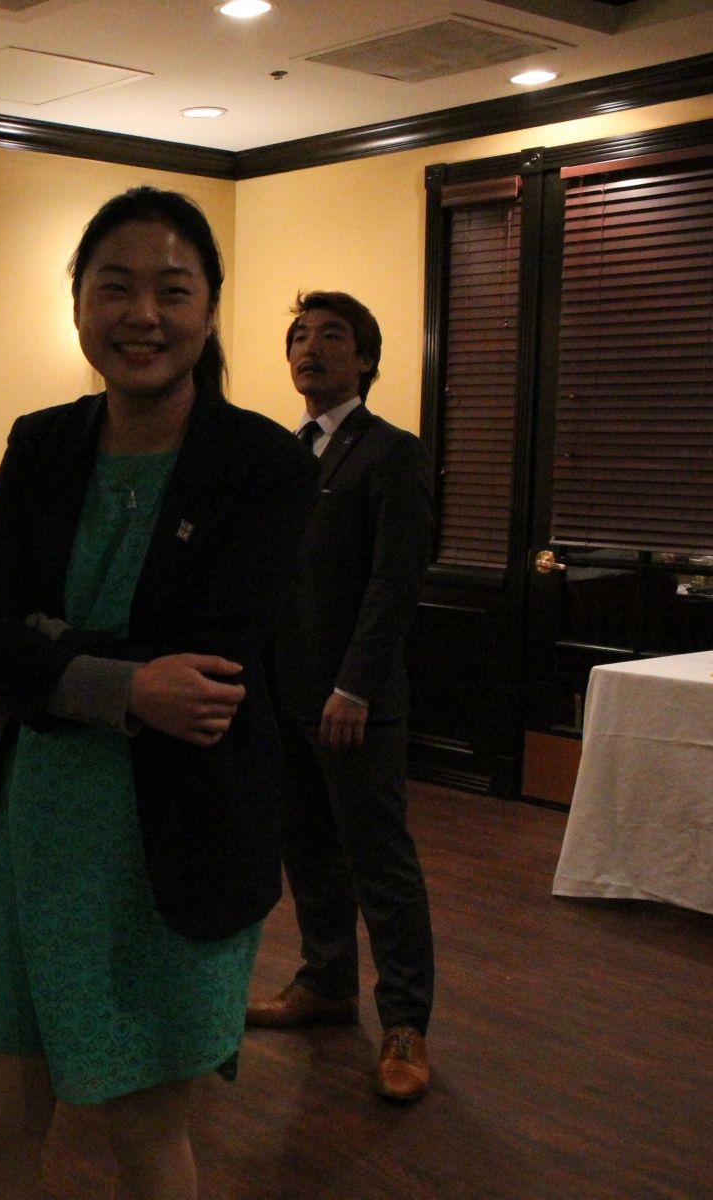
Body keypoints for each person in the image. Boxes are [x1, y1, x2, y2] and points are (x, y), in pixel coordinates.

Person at [0, 187, 317, 1200]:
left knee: (148, 1139)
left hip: (177, 841)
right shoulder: (41, 444)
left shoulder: (263, 464)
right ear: (78, 304)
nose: (142, 315)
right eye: (114, 287)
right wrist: (125, 683)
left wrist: (51, 647)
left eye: (172, 290)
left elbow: (214, 666)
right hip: (38, 832)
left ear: (210, 308)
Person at [245, 290, 437, 1103]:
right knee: (309, 848)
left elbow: (395, 582)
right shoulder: (285, 453)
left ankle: (405, 1024)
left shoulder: (390, 451)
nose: (309, 347)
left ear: (365, 359)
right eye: (298, 335)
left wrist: (355, 684)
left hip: (353, 701)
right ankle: (325, 982)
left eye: (331, 335)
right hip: (284, 694)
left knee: (379, 860)